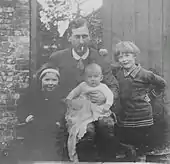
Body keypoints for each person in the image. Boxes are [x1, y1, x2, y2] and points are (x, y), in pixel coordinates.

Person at [48, 17, 119, 162]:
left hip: (97, 108)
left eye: (84, 36)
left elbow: (113, 85)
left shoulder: (99, 59)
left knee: (107, 126)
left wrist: (105, 97)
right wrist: (65, 101)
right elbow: (48, 84)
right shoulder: (57, 58)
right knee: (87, 132)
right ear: (69, 38)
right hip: (71, 110)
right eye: (77, 37)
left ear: (90, 37)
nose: (81, 41)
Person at [113, 41, 167, 161]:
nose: (124, 59)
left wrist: (152, 96)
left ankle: (141, 158)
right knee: (128, 142)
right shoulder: (119, 74)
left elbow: (162, 83)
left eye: (127, 55)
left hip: (142, 116)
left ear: (134, 56)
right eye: (120, 57)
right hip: (126, 115)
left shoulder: (145, 74)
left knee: (142, 146)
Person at [65, 63, 116, 162]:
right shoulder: (83, 86)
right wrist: (69, 99)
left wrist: (107, 105)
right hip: (85, 112)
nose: (93, 79)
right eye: (89, 77)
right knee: (86, 130)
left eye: (96, 77)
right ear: (85, 78)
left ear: (101, 77)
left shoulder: (103, 87)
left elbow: (110, 96)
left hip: (99, 111)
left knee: (105, 126)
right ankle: (86, 157)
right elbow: (74, 92)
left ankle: (106, 156)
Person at [16, 63, 68, 161]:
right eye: (47, 80)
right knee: (32, 148)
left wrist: (60, 121)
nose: (50, 83)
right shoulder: (32, 93)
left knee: (54, 145)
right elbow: (22, 107)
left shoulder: (61, 95)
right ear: (41, 81)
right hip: (34, 126)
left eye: (54, 80)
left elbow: (63, 110)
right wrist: (26, 117)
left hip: (54, 128)